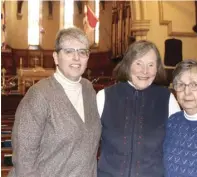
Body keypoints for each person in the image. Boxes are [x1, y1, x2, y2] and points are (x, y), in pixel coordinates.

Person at [8, 27, 101, 177]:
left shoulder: (88, 89)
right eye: (69, 51)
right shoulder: (39, 95)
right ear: (56, 57)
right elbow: (24, 159)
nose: (76, 58)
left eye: (82, 52)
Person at [96, 40, 181, 177]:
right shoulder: (105, 97)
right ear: (128, 64)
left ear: (157, 68)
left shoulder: (167, 99)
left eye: (151, 65)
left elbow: (179, 146)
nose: (145, 71)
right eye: (139, 63)